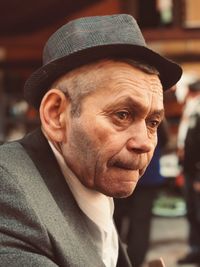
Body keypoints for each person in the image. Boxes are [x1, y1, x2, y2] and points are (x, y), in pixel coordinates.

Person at [0, 14, 182, 267]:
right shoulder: (7, 192)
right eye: (122, 115)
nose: (145, 142)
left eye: (152, 122)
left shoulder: (90, 174)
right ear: (56, 115)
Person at [114, 120, 169, 267]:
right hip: (146, 177)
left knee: (118, 218)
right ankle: (132, 262)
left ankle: (121, 260)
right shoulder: (155, 119)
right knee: (140, 222)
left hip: (126, 173)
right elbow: (164, 139)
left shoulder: (125, 117)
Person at [177, 80, 200, 264]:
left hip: (197, 172)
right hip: (189, 169)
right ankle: (194, 250)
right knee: (192, 212)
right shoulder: (191, 109)